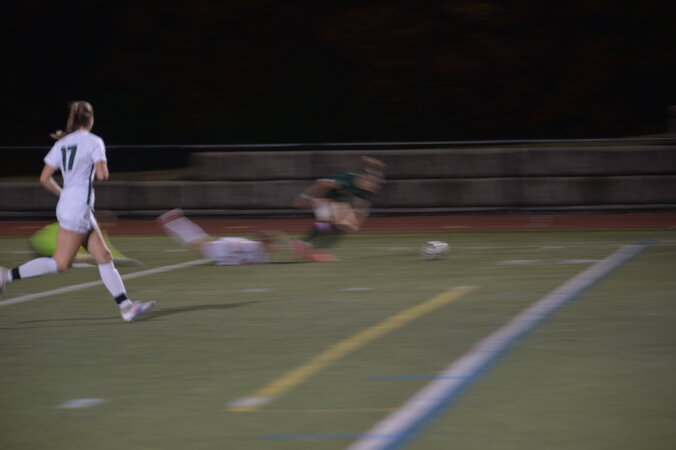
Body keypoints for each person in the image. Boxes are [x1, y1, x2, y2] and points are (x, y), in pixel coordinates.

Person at [0, 101, 155, 322]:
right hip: (79, 207)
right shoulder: (94, 141)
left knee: (104, 256)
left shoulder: (62, 143)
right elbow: (102, 175)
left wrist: (64, 193)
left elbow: (44, 178)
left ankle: (126, 307)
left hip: (71, 205)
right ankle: (6, 275)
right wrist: (101, 163)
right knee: (60, 263)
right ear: (90, 119)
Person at [291, 156, 385, 261]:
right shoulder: (347, 180)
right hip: (321, 195)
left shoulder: (366, 190)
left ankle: (311, 247)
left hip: (333, 200)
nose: (373, 186)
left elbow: (362, 208)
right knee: (328, 222)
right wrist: (306, 197)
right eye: (370, 182)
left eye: (375, 184)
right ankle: (311, 247)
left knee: (343, 225)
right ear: (363, 178)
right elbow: (321, 183)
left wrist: (356, 222)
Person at [158, 209, 281, 265]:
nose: (276, 247)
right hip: (222, 249)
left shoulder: (260, 250)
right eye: (273, 243)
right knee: (192, 240)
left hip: (223, 247)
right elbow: (247, 258)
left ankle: (175, 221)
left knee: (196, 238)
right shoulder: (259, 251)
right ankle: (172, 222)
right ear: (266, 243)